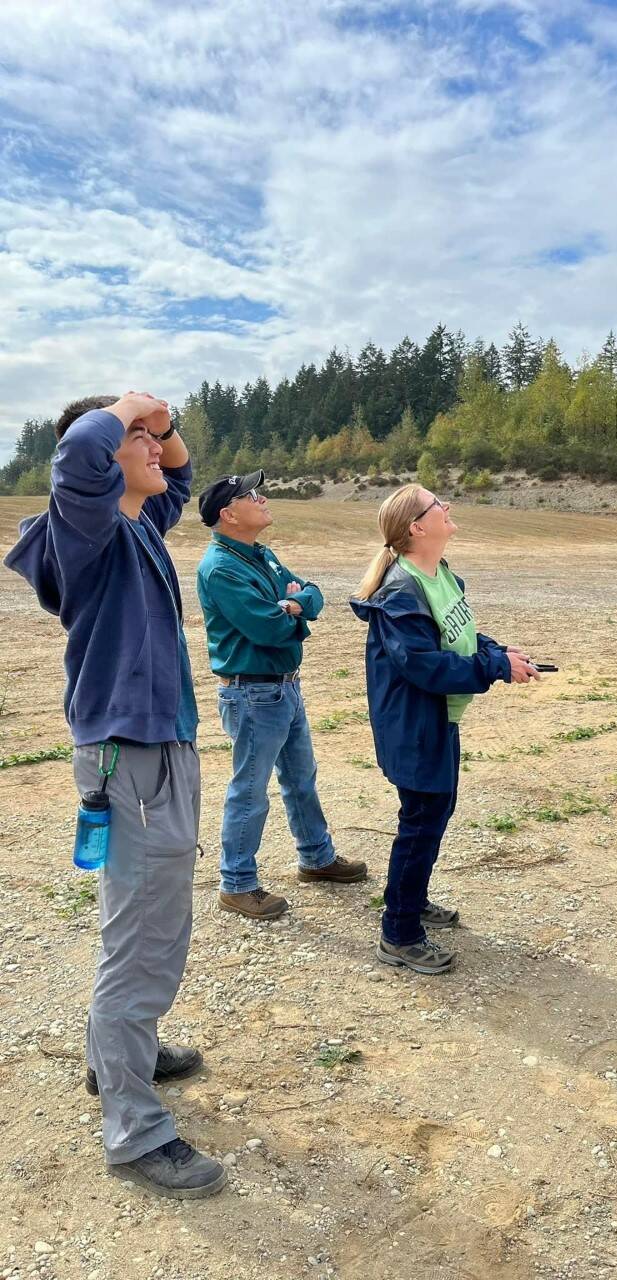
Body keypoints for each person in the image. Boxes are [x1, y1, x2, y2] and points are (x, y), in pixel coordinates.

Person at [4, 393, 227, 1199]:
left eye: (150, 436)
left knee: (152, 920)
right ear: (102, 457)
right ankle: (135, 1128)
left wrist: (158, 431)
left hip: (159, 750)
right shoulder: (86, 530)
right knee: (140, 936)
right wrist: (123, 408)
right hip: (127, 760)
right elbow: (73, 461)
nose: (150, 445)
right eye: (131, 437)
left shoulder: (136, 523)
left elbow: (179, 477)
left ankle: (117, 1052)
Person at [350, 483, 539, 976]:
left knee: (434, 812)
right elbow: (426, 667)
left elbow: (462, 634)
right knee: (422, 820)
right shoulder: (400, 592)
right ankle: (400, 932)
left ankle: (411, 898)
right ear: (417, 527)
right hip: (413, 725)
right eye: (438, 505)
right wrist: (493, 668)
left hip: (438, 720)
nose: (447, 507)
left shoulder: (439, 574)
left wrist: (501, 653)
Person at [196, 471, 367, 920]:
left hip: (283, 688)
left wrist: (296, 605)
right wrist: (291, 611)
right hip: (252, 694)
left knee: (301, 778)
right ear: (228, 514)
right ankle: (236, 884)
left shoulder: (261, 555)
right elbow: (267, 628)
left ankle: (317, 858)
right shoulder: (221, 567)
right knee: (250, 791)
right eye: (251, 495)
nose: (263, 497)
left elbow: (311, 594)